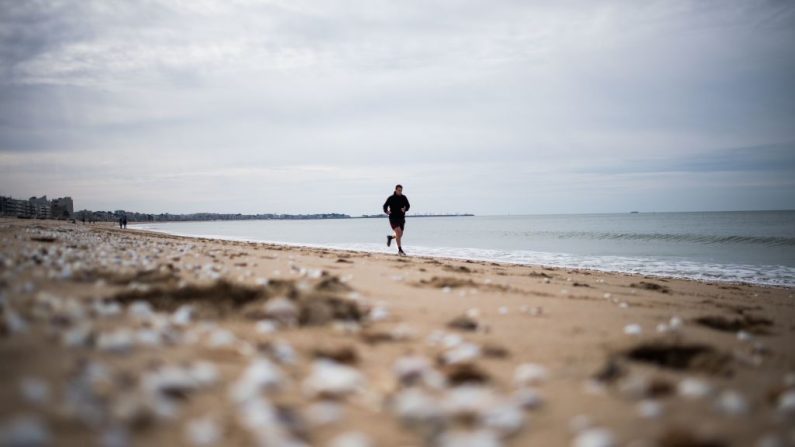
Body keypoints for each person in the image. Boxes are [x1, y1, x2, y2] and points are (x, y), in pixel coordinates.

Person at [382, 184, 410, 256]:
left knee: (400, 234)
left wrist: (405, 209)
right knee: (398, 232)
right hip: (393, 218)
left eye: (401, 190)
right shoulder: (391, 198)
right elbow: (385, 206)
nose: (400, 192)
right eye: (399, 190)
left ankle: (390, 237)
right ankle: (400, 250)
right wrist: (386, 211)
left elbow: (408, 205)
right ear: (395, 190)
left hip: (401, 218)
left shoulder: (404, 197)